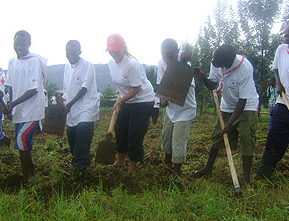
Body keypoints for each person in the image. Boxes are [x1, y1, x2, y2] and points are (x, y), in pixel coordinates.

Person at [193, 45, 259, 184]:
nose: (213, 63)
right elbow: (213, 86)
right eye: (214, 60)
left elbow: (242, 100)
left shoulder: (244, 67)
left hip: (246, 106)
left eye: (217, 62)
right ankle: (208, 168)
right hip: (227, 105)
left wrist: (230, 124)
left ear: (228, 63)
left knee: (247, 137)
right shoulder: (216, 62)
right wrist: (202, 77)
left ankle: (246, 178)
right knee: (218, 135)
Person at [106, 34, 154, 174]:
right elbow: (122, 84)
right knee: (120, 130)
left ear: (123, 47)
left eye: (116, 49)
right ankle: (120, 160)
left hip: (143, 101)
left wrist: (120, 101)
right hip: (127, 99)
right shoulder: (111, 64)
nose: (114, 53)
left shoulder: (132, 64)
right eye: (111, 50)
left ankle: (133, 167)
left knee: (134, 135)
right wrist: (120, 96)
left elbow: (136, 89)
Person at [5, 30, 47, 177]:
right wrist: (10, 106)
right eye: (17, 43)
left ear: (29, 44)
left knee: (21, 140)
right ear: (13, 43)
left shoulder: (34, 61)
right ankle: (30, 171)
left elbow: (33, 90)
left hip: (33, 111)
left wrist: (12, 104)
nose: (19, 46)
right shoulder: (12, 61)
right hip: (18, 111)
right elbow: (9, 85)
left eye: (23, 43)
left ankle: (28, 175)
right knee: (23, 144)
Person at [254, 24, 289, 179]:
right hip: (284, 102)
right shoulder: (282, 49)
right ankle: (266, 170)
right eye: (287, 34)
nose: (287, 36)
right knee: (275, 138)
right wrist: (278, 82)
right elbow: (275, 68)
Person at [158, 39, 196, 175]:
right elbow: (162, 86)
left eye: (171, 56)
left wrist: (168, 97)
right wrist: (163, 99)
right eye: (164, 56)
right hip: (171, 110)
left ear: (177, 52)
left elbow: (179, 90)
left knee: (178, 141)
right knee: (167, 138)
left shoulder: (186, 66)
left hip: (185, 109)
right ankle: (167, 166)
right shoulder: (161, 64)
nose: (167, 59)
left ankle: (176, 173)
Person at [63, 40, 99, 179]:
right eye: (68, 52)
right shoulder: (67, 67)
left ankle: (80, 168)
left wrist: (69, 104)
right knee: (72, 137)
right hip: (72, 109)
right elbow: (67, 89)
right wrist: (62, 100)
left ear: (80, 52)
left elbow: (84, 88)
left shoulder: (88, 66)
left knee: (83, 134)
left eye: (73, 52)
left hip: (87, 107)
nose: (71, 54)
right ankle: (78, 161)